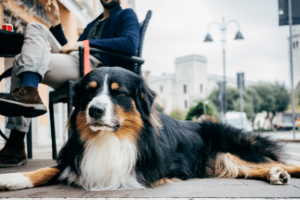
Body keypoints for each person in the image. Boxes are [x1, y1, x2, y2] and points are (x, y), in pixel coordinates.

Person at [0, 0, 140, 167]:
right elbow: (68, 48)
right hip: (77, 61)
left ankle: (15, 142)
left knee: (21, 61)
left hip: (97, 71)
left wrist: (84, 43)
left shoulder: (126, 14)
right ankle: (28, 94)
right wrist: (55, 22)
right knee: (32, 34)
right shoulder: (93, 24)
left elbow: (130, 44)